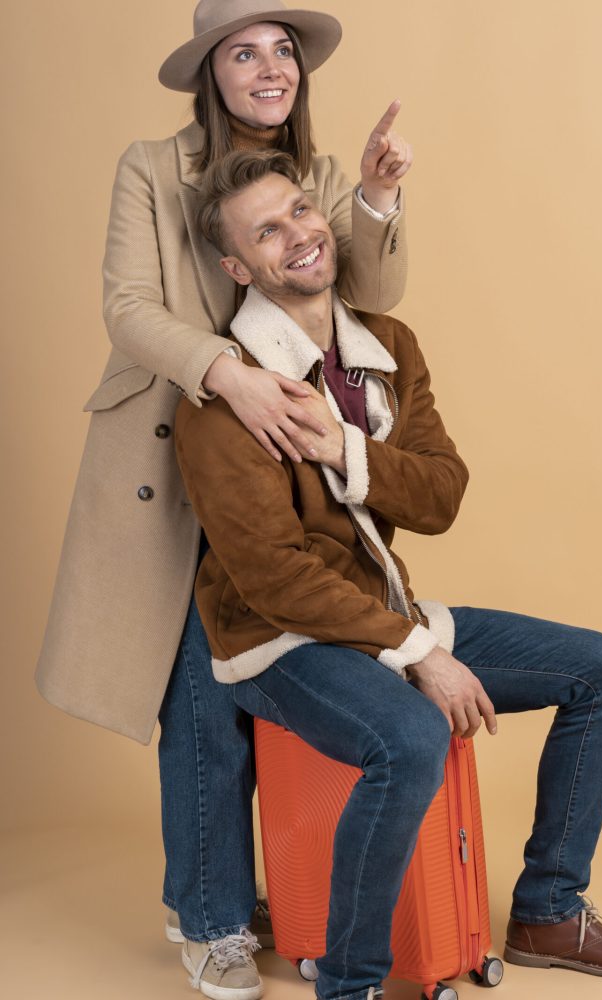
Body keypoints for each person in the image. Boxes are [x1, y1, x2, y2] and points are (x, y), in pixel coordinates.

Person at [174, 148, 602, 1000]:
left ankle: (549, 909)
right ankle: (351, 981)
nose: (298, 234)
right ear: (236, 267)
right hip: (278, 642)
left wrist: (345, 448)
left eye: (299, 210)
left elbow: (441, 494)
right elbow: (274, 578)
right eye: (267, 230)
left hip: (382, 614)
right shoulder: (224, 395)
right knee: (407, 739)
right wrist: (417, 653)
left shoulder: (390, 345)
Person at [34, 2, 415, 996]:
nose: (267, 68)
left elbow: (366, 291)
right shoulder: (150, 167)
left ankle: (259, 891)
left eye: (280, 50)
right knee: (199, 696)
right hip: (172, 450)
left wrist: (371, 199)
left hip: (282, 459)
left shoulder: (322, 177)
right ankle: (208, 915)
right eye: (242, 52)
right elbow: (126, 307)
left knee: (279, 675)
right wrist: (224, 372)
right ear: (211, 71)